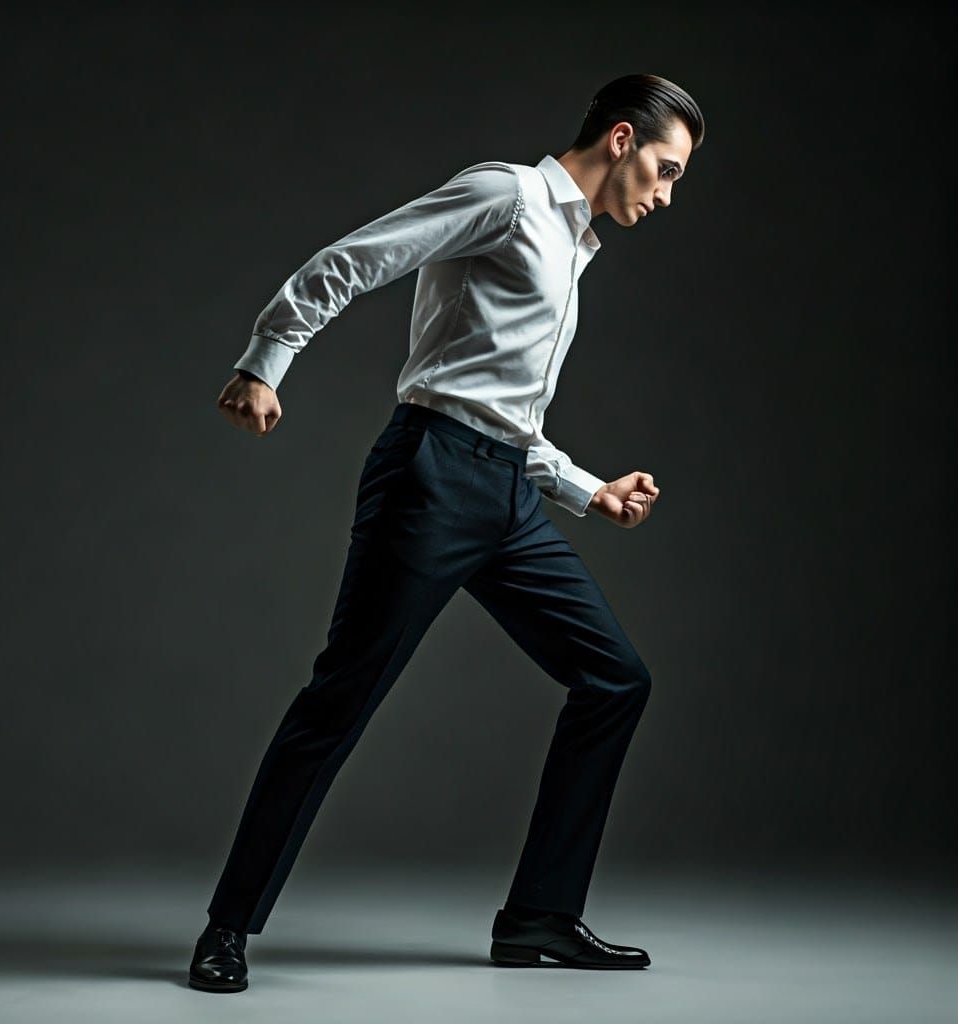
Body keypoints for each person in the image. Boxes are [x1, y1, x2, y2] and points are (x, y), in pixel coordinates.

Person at [188, 72, 704, 993]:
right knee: (338, 702)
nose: (664, 196)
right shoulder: (507, 195)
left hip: (505, 493)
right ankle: (226, 929)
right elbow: (359, 257)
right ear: (622, 140)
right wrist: (266, 359)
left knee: (615, 680)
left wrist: (589, 492)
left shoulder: (573, 244)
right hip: (430, 478)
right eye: (664, 170)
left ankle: (540, 918)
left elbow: (506, 415)